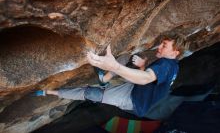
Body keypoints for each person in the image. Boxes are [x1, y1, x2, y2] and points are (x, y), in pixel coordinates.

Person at [36, 36, 189, 118]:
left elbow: (146, 79)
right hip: (137, 90)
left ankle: (50, 92)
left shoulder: (167, 65)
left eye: (164, 45)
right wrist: (143, 65)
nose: (159, 47)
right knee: (125, 57)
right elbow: (150, 82)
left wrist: (113, 66)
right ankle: (104, 80)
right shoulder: (173, 65)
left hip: (133, 100)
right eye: (161, 43)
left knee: (91, 93)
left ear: (175, 52)